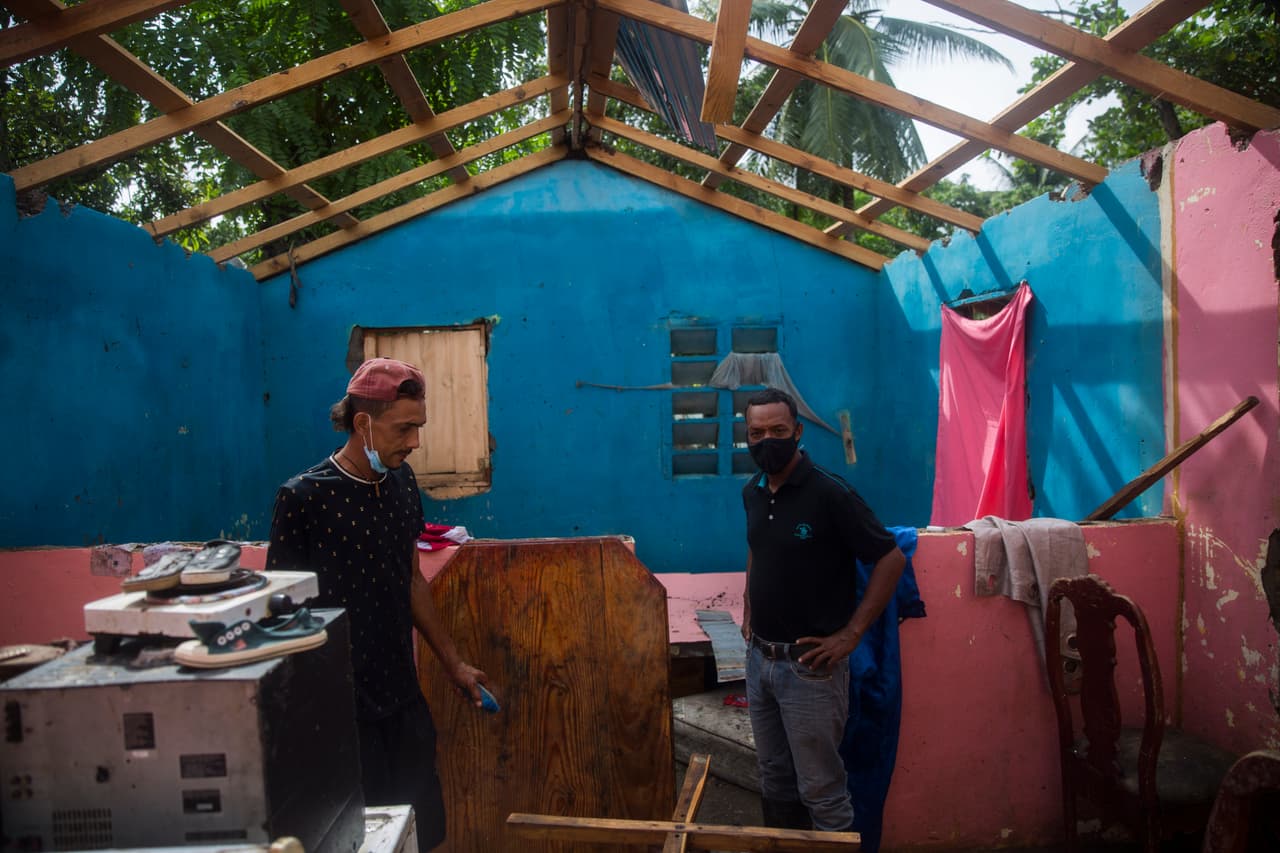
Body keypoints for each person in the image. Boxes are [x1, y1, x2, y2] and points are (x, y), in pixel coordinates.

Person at [264, 357, 488, 851]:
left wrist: (454, 665)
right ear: (362, 423)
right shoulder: (303, 499)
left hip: (402, 700)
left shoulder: (403, 484)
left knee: (419, 832)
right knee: (357, 838)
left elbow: (411, 581)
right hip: (339, 712)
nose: (414, 442)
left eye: (419, 427)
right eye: (405, 428)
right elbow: (280, 615)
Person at [739, 387, 906, 833]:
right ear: (746, 436)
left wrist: (851, 635)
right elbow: (759, 546)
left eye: (778, 430)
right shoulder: (753, 491)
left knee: (821, 789)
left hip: (809, 670)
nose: (767, 441)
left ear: (797, 432)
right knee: (774, 778)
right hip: (759, 661)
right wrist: (749, 601)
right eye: (757, 432)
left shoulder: (830, 493)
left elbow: (891, 559)